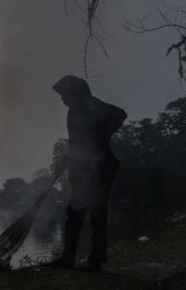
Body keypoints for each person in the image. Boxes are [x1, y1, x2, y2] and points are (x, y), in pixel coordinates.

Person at [49, 75, 127, 271]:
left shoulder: (91, 104)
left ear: (75, 92)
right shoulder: (73, 112)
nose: (62, 99)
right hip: (83, 168)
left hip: (101, 167)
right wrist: (68, 158)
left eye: (64, 94)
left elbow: (120, 114)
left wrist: (101, 140)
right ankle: (68, 258)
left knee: (96, 212)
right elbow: (76, 142)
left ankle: (95, 261)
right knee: (74, 212)